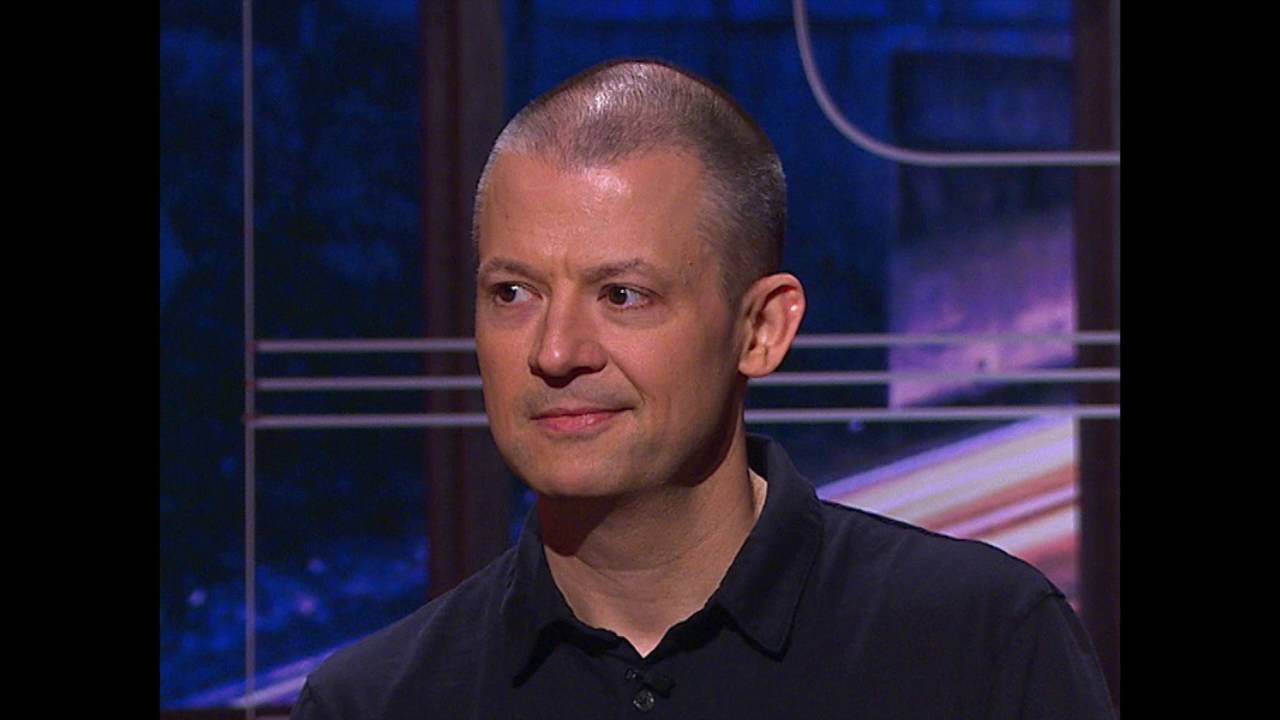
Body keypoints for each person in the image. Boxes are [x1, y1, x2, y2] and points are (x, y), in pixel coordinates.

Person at [291, 58, 1116, 719]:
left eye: (622, 295)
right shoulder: (377, 701)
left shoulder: (980, 645)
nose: (554, 351)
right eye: (513, 293)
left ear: (761, 330)